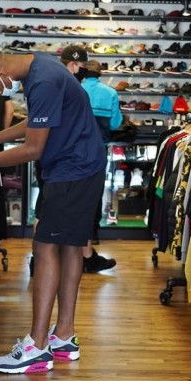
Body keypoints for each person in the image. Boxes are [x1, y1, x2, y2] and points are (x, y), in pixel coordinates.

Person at [0, 49, 106, 374]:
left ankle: (37, 347)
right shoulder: (40, 64)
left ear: (2, 73)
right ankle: (64, 336)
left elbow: (33, 148)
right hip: (80, 165)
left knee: (44, 245)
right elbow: (35, 122)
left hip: (72, 169)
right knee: (70, 245)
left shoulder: (43, 81)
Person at [59, 46, 118, 273]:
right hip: (97, 150)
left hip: (69, 152)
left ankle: (64, 252)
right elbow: (115, 124)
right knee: (90, 201)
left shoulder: (73, 88)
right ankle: (88, 248)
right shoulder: (110, 93)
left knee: (65, 203)